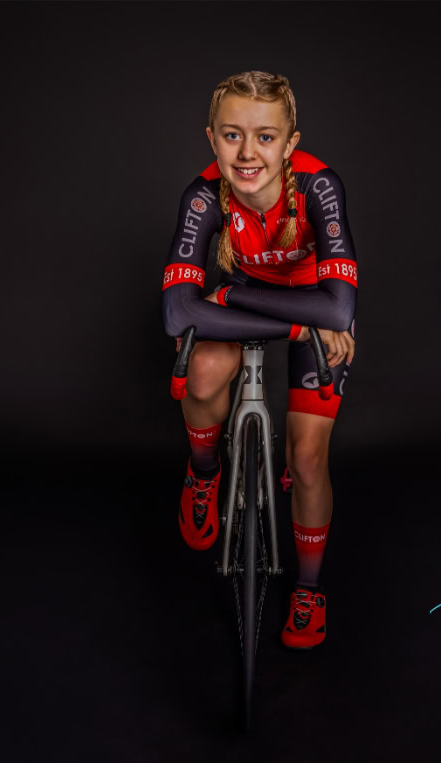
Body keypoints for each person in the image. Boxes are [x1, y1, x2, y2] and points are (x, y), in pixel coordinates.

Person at [161, 71, 358, 650]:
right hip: (301, 313)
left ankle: (309, 588)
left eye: (266, 137)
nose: (248, 153)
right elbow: (177, 315)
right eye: (231, 135)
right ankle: (204, 473)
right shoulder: (202, 195)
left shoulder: (319, 187)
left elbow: (341, 307)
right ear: (211, 138)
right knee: (203, 367)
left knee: (306, 457)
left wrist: (232, 296)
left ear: (290, 143)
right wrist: (303, 321)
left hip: (279, 302)